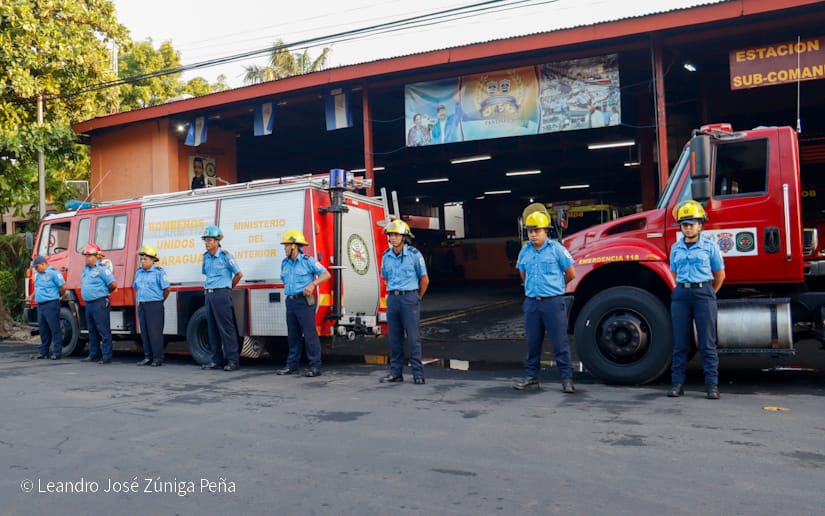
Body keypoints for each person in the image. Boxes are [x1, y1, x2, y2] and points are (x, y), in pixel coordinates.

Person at [513, 210, 577, 393]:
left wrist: (555, 287)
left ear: (546, 231)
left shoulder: (557, 249)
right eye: (530, 231)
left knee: (560, 342)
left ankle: (566, 378)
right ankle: (531, 377)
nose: (533, 234)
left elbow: (571, 273)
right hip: (532, 302)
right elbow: (522, 273)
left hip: (553, 302)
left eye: (537, 230)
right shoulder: (524, 251)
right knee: (533, 342)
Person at [668, 200, 725, 400]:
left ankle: (712, 385)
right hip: (682, 295)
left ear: (700, 225)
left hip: (704, 293)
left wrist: (708, 293)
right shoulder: (676, 248)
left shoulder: (710, 247)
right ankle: (677, 384)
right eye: (685, 224)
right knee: (680, 343)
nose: (688, 228)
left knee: (707, 343)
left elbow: (719, 276)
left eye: (692, 224)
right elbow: (674, 273)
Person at [379, 219, 430, 384]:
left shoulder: (415, 255)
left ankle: (418, 374)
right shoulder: (386, 257)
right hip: (393, 298)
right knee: (394, 338)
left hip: (409, 297)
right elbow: (385, 278)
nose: (393, 238)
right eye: (391, 235)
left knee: (413, 338)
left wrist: (417, 297)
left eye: (396, 235)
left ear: (404, 237)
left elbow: (424, 280)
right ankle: (396, 372)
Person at [276, 230, 331, 378]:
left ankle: (315, 366)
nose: (285, 248)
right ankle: (292, 365)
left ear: (294, 246)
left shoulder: (308, 261)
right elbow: (284, 279)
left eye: (286, 246)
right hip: (291, 302)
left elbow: (326, 274)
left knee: (309, 335)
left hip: (304, 302)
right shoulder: (284, 263)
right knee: (293, 336)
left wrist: (313, 284)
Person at [200, 225, 243, 371]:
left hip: (221, 294)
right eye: (205, 240)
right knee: (212, 329)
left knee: (226, 329)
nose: (207, 243)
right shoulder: (205, 257)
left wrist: (228, 287)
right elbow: (207, 274)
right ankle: (216, 360)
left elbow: (238, 274)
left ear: (217, 241)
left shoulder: (225, 256)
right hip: (209, 295)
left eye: (210, 240)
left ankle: (232, 361)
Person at [133, 245, 170, 367]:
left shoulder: (159, 272)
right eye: (141, 259)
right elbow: (136, 288)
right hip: (142, 305)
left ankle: (158, 357)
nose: (143, 261)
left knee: (155, 333)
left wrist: (159, 301)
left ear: (153, 260)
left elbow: (166, 290)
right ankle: (147, 357)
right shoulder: (139, 273)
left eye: (145, 259)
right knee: (145, 332)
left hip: (154, 305)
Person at [80, 243, 117, 364]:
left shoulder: (102, 269)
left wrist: (104, 294)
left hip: (99, 302)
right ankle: (94, 355)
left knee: (103, 330)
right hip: (89, 303)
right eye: (86, 256)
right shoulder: (85, 270)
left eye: (89, 256)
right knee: (92, 331)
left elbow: (113, 285)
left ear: (96, 256)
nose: (87, 258)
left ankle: (106, 356)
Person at [30, 255, 66, 360]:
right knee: (43, 329)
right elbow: (38, 288)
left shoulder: (54, 273)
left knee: (54, 329)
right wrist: (31, 296)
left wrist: (58, 296)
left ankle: (57, 352)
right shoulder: (39, 275)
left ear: (43, 264)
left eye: (37, 267)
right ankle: (43, 352)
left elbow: (63, 287)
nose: (36, 269)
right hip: (40, 305)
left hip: (51, 304)